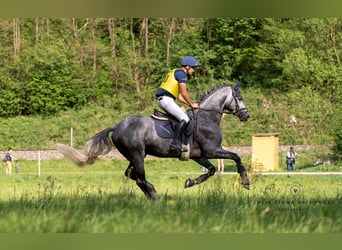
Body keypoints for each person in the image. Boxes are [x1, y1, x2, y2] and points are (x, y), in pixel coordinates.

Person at [156, 55, 200, 153]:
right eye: (193, 68)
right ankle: (175, 144)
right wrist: (192, 105)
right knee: (185, 118)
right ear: (187, 67)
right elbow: (184, 93)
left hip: (164, 99)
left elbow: (179, 96)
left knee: (180, 117)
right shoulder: (181, 74)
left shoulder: (175, 72)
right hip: (166, 100)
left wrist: (190, 104)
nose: (194, 71)